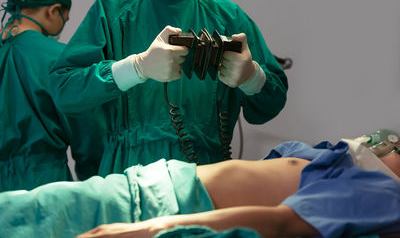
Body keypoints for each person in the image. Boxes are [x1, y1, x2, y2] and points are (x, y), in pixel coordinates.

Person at [49, 0, 288, 176]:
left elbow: (272, 101)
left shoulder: (228, 16)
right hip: (129, 175)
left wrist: (252, 78)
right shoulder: (114, 10)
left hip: (207, 176)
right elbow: (65, 89)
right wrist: (135, 67)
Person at [0, 137, 399, 238]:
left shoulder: (386, 193)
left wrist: (147, 229)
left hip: (154, 210)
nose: (390, 145)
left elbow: (283, 224)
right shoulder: (350, 159)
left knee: (24, 216)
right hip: (152, 185)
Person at [0, 0, 101, 191]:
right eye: (64, 15)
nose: (66, 21)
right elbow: (88, 140)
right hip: (43, 188)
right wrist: (94, 184)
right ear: (53, 10)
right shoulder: (58, 60)